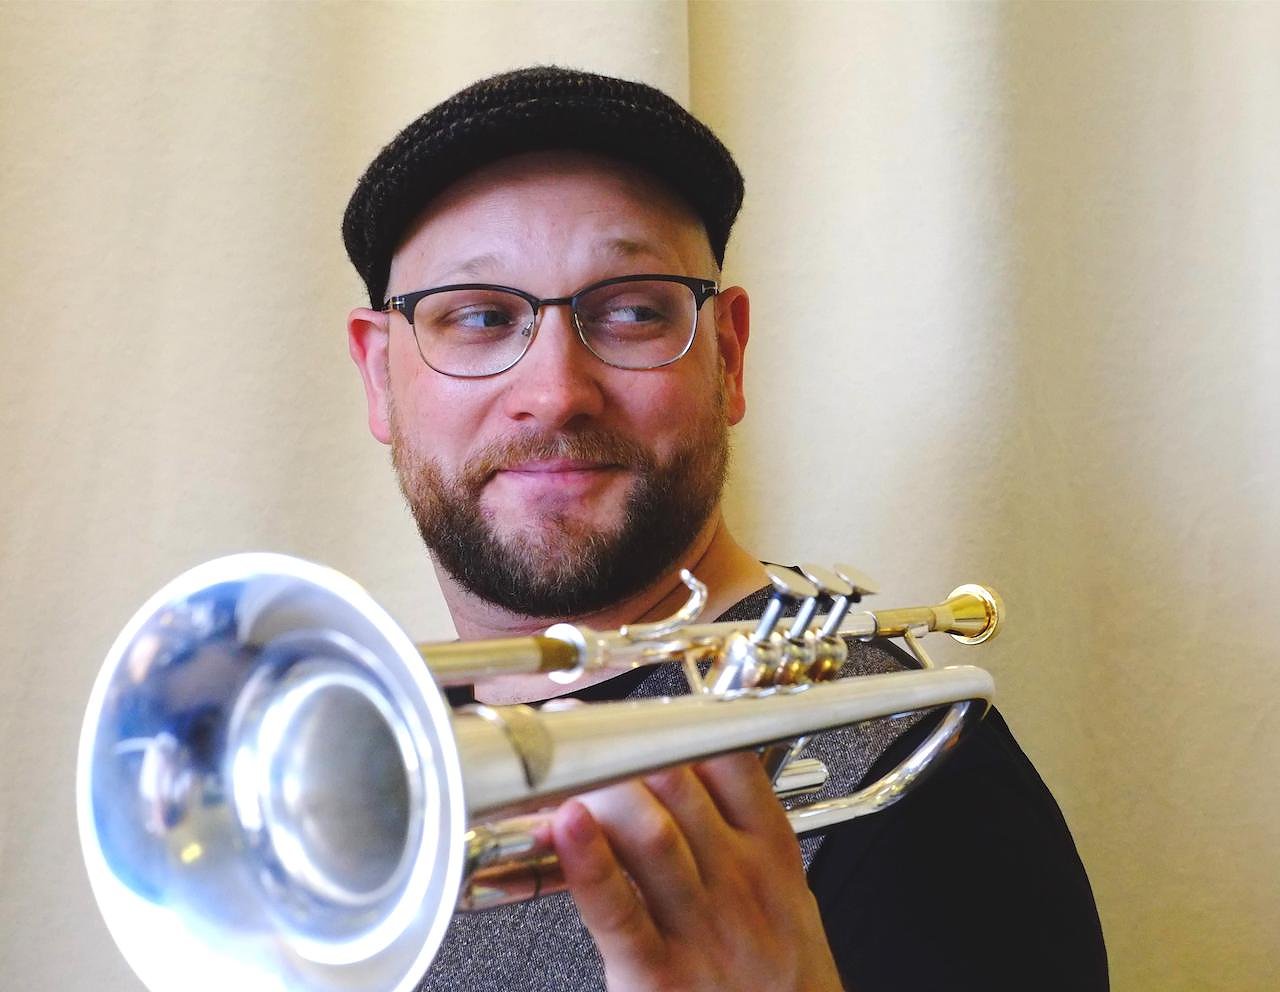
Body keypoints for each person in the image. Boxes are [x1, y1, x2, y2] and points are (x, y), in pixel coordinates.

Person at [343, 66, 1108, 992]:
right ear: (379, 376)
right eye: (477, 317)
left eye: (631, 311)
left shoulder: (925, 789)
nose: (554, 392)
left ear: (729, 355)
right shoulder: (351, 773)